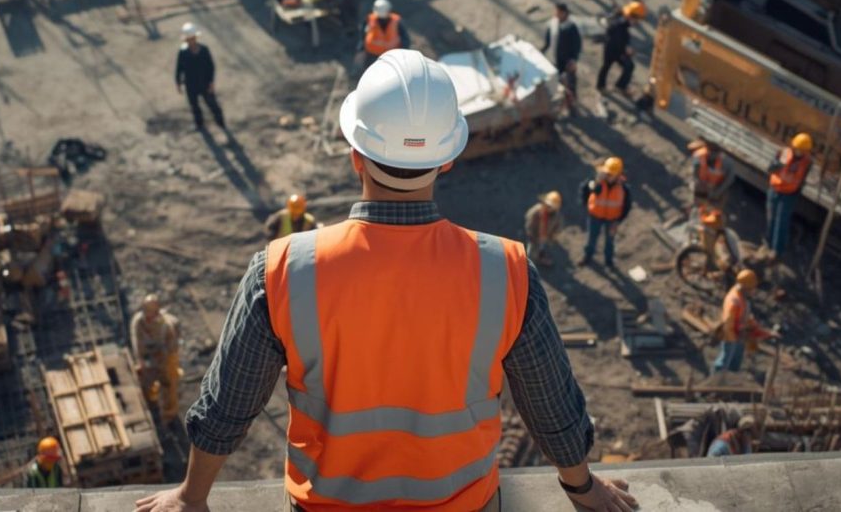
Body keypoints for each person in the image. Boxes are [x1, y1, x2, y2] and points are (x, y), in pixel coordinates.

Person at [136, 49, 637, 512]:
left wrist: (191, 496)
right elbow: (549, 403)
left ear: (355, 154)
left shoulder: (282, 269)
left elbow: (228, 404)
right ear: (447, 159)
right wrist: (582, 486)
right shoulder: (507, 270)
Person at [131, 293, 181, 423]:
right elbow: (137, 343)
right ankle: (152, 401)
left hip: (166, 356)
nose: (148, 316)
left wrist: (162, 363)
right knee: (145, 378)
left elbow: (171, 348)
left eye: (151, 312)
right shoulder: (138, 322)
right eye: (146, 311)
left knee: (168, 385)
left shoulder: (165, 326)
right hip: (149, 356)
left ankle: (170, 414)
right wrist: (141, 360)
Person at [713, 269, 775, 373]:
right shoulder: (733, 300)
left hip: (739, 336)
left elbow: (745, 318)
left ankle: (729, 379)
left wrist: (765, 333)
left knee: (734, 365)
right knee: (723, 362)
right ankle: (715, 380)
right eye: (751, 288)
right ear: (746, 287)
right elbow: (728, 323)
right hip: (731, 336)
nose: (753, 291)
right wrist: (732, 340)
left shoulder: (742, 297)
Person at [765, 133, 813, 259]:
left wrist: (796, 193)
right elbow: (770, 169)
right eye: (797, 149)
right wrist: (779, 164)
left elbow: (803, 179)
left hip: (789, 195)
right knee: (771, 218)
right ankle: (767, 245)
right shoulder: (783, 153)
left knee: (782, 222)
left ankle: (777, 251)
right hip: (775, 189)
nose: (798, 152)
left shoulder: (807, 162)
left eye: (802, 150)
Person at [580, 157, 632, 267]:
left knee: (610, 241)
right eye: (606, 172)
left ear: (618, 175)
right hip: (595, 216)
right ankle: (588, 256)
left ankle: (609, 260)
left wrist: (618, 221)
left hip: (612, 220)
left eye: (610, 174)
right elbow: (585, 190)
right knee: (591, 238)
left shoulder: (624, 188)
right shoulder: (597, 181)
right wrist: (588, 206)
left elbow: (627, 206)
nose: (607, 175)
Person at [174, 22, 226, 133]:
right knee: (194, 105)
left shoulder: (204, 50)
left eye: (193, 38)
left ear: (196, 38)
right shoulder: (183, 52)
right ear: (186, 40)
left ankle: (220, 121)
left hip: (204, 83)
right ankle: (199, 123)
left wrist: (211, 82)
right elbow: (179, 68)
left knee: (212, 103)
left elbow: (211, 66)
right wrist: (178, 82)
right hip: (190, 85)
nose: (191, 41)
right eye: (189, 39)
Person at [596, 1, 646, 95]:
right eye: (637, 19)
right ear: (632, 16)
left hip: (613, 46)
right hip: (613, 49)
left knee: (627, 66)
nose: (637, 22)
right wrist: (626, 50)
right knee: (609, 66)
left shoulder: (622, 18)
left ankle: (620, 86)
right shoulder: (621, 24)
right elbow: (618, 41)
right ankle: (604, 86)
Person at [541, 2, 582, 112]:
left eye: (558, 12)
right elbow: (548, 41)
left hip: (568, 61)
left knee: (570, 83)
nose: (556, 14)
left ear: (564, 13)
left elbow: (577, 45)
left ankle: (572, 104)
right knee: (557, 82)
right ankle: (560, 103)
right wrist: (542, 51)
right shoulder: (553, 24)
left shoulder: (571, 27)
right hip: (555, 59)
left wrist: (574, 60)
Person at [357, 0, 410, 71]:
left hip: (391, 56)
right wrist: (361, 48)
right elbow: (363, 34)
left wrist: (403, 54)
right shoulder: (370, 19)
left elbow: (405, 39)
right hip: (372, 55)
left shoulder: (396, 21)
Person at [690, 140, 734, 213]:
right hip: (702, 184)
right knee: (698, 195)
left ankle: (713, 210)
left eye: (714, 153)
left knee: (721, 197)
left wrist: (718, 191)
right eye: (710, 151)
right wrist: (696, 181)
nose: (711, 155)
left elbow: (729, 180)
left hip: (716, 187)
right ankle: (698, 207)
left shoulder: (726, 163)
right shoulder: (699, 156)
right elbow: (695, 171)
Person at [524, 191, 562, 268]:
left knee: (541, 246)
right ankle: (527, 265)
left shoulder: (555, 216)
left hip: (544, 236)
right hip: (534, 235)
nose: (548, 207)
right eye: (548, 205)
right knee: (531, 250)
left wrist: (553, 235)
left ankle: (540, 256)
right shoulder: (537, 210)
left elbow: (557, 226)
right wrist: (530, 232)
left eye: (551, 206)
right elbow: (528, 219)